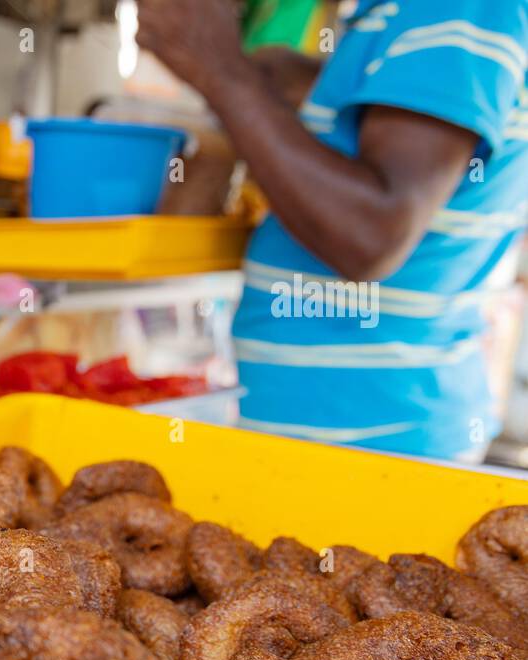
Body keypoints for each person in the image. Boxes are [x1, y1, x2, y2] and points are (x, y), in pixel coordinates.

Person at [138, 0, 528, 460]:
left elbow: (372, 235)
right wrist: (312, 81)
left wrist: (220, 70)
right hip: (353, 433)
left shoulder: (456, 7)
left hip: (370, 445)